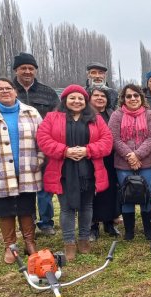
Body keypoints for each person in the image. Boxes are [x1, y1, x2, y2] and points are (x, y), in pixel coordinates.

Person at [0, 78, 43, 263]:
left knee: (27, 208)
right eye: (0, 89)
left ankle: (30, 242)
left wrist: (40, 159)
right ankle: (10, 246)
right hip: (1, 171)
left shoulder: (31, 112)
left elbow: (43, 138)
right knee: (5, 210)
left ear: (15, 91)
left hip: (27, 169)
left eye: (8, 88)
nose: (5, 91)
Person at [37, 85, 112, 260]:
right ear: (65, 100)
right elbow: (43, 139)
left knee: (87, 206)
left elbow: (107, 141)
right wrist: (65, 151)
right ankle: (69, 242)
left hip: (89, 169)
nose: (76, 101)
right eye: (72, 98)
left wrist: (88, 150)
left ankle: (84, 239)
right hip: (63, 170)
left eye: (80, 98)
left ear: (85, 101)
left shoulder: (96, 119)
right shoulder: (52, 118)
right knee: (67, 208)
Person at [12, 52, 60, 237]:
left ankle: (46, 222)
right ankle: (27, 222)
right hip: (19, 150)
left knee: (45, 188)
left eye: (31, 68)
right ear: (16, 70)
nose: (27, 71)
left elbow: (57, 117)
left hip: (45, 148)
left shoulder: (47, 92)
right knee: (23, 189)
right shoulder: (9, 90)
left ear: (35, 71)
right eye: (23, 68)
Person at [108, 84, 151, 241]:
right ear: (123, 98)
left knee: (147, 194)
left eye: (136, 95)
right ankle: (129, 231)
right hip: (123, 164)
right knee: (126, 195)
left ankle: (148, 229)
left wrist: (137, 155)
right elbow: (114, 138)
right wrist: (129, 156)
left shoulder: (150, 115)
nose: (132, 99)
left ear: (141, 97)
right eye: (129, 96)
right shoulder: (116, 116)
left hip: (146, 163)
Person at [88, 86, 121, 239]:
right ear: (90, 98)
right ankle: (92, 226)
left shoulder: (112, 114)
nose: (100, 98)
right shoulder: (84, 115)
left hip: (110, 159)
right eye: (96, 95)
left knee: (110, 192)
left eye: (103, 96)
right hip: (91, 158)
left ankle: (109, 223)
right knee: (93, 193)